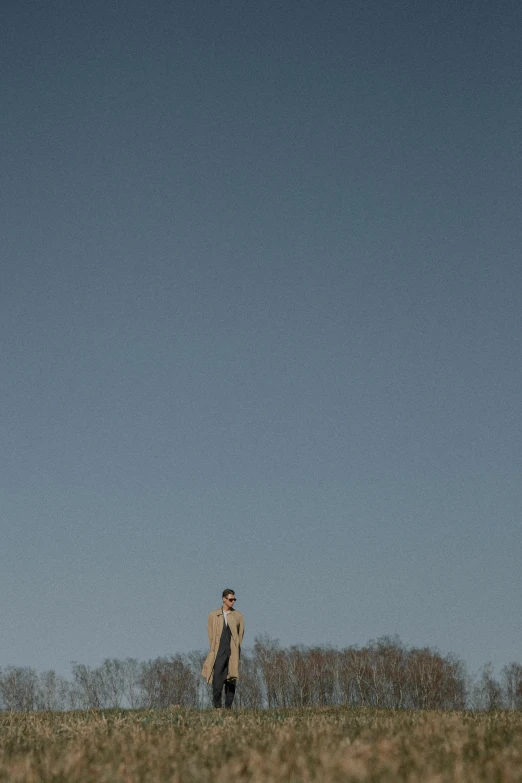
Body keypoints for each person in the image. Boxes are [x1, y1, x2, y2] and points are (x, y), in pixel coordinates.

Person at [201, 589, 245, 709]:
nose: (233, 602)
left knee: (231, 678)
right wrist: (214, 649)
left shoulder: (238, 616)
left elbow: (240, 634)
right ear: (224, 599)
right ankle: (217, 707)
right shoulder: (213, 615)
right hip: (218, 650)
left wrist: (236, 648)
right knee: (217, 679)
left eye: (234, 599)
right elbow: (210, 634)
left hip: (233, 651)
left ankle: (228, 707)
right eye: (231, 599)